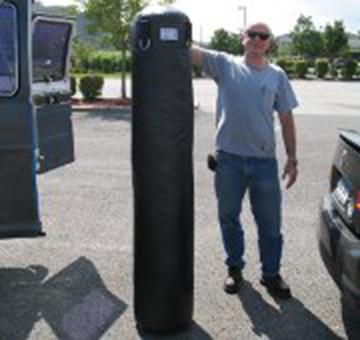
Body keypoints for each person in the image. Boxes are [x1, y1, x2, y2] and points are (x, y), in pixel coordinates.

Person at [192, 22, 298, 299]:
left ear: (269, 42)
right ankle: (235, 269)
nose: (257, 40)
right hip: (228, 160)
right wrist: (167, 26)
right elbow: (189, 52)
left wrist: (292, 158)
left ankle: (271, 274)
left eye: (263, 36)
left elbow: (286, 118)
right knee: (228, 217)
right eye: (252, 34)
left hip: (264, 162)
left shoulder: (277, 75)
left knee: (270, 223)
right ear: (242, 38)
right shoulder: (225, 65)